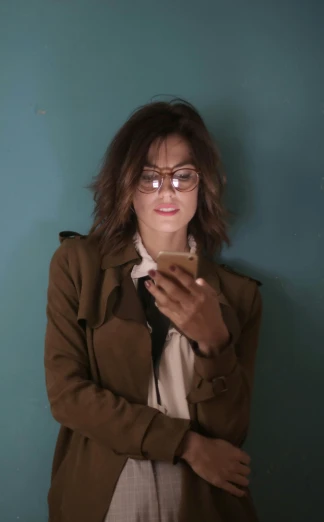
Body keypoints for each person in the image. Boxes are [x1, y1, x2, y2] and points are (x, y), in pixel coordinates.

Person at [43, 99, 263, 522]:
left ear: (204, 185)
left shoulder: (239, 296)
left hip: (202, 502)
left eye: (183, 175)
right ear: (126, 184)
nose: (167, 190)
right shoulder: (78, 266)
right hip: (106, 500)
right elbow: (68, 396)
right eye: (149, 176)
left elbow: (231, 433)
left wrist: (214, 341)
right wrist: (187, 445)